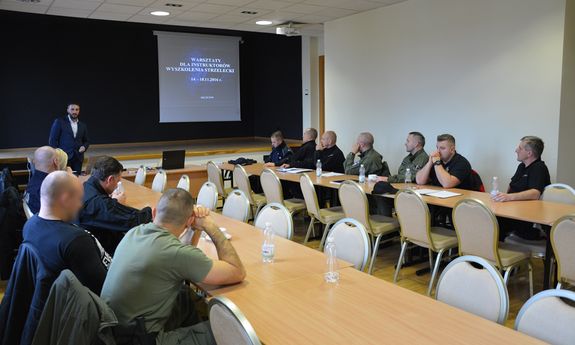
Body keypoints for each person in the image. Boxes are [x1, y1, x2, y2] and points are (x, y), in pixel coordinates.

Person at [101, 189, 246, 345]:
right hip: (141, 339)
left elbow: (183, 258)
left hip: (113, 330)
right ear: (189, 221)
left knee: (184, 295)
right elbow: (236, 271)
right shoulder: (175, 254)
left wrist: (194, 228)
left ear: (154, 212)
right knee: (227, 331)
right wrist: (210, 226)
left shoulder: (135, 232)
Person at [23, 171, 111, 294]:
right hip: (79, 308)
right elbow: (105, 289)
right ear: (65, 199)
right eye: (79, 199)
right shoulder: (77, 241)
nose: (81, 205)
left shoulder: (30, 226)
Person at [78, 156, 152, 253]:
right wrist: (151, 210)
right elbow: (134, 220)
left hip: (88, 244)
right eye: (118, 181)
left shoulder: (84, 187)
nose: (117, 185)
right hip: (106, 251)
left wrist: (114, 203)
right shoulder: (101, 204)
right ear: (110, 179)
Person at [494, 136, 551, 240]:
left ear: (529, 153)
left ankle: (495, 253)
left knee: (494, 222)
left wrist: (509, 197)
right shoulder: (521, 167)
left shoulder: (539, 168)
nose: (516, 150)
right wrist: (502, 198)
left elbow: (535, 193)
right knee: (489, 217)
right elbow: (511, 186)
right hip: (513, 211)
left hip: (527, 217)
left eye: (520, 148)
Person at [24, 146, 70, 214]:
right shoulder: (51, 187)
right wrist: (69, 179)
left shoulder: (34, 180)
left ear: (34, 161)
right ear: (56, 162)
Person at [48, 103, 89, 174]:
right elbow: (52, 140)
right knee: (64, 179)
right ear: (68, 110)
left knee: (76, 179)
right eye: (72, 109)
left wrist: (84, 147)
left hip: (78, 157)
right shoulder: (59, 122)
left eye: (77, 110)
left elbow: (86, 141)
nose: (74, 112)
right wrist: (57, 154)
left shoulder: (83, 125)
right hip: (64, 157)